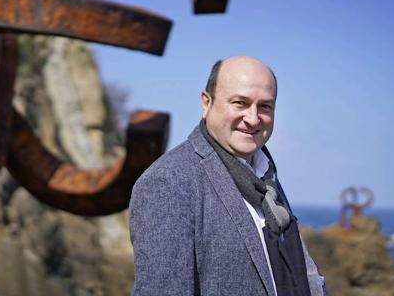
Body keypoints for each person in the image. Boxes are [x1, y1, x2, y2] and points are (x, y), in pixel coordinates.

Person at [129, 56, 326, 296]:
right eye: (240, 103)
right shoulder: (168, 182)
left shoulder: (263, 176)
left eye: (265, 106)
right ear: (206, 103)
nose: (253, 118)